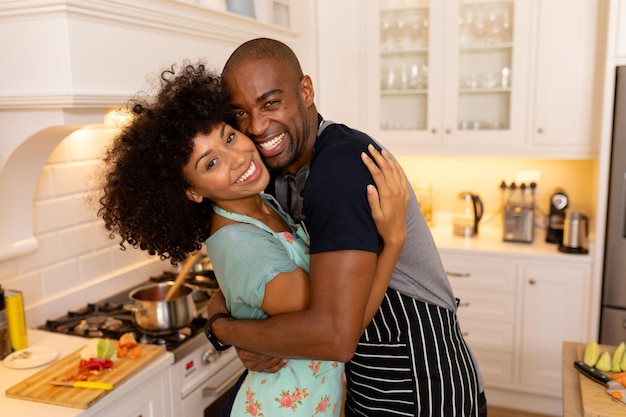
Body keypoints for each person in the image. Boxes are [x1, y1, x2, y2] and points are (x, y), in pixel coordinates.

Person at [96, 62, 409, 417]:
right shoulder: (242, 243)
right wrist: (394, 240)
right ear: (192, 192)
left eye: (229, 137)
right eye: (211, 163)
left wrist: (226, 325)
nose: (238, 157)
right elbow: (338, 332)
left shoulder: (266, 203)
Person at [205, 38, 487, 417]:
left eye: (271, 102)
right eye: (239, 114)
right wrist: (219, 309)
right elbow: (254, 268)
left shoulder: (339, 171)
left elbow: (334, 336)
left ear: (306, 90)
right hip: (366, 380)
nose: (256, 126)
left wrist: (226, 331)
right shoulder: (271, 174)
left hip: (418, 379)